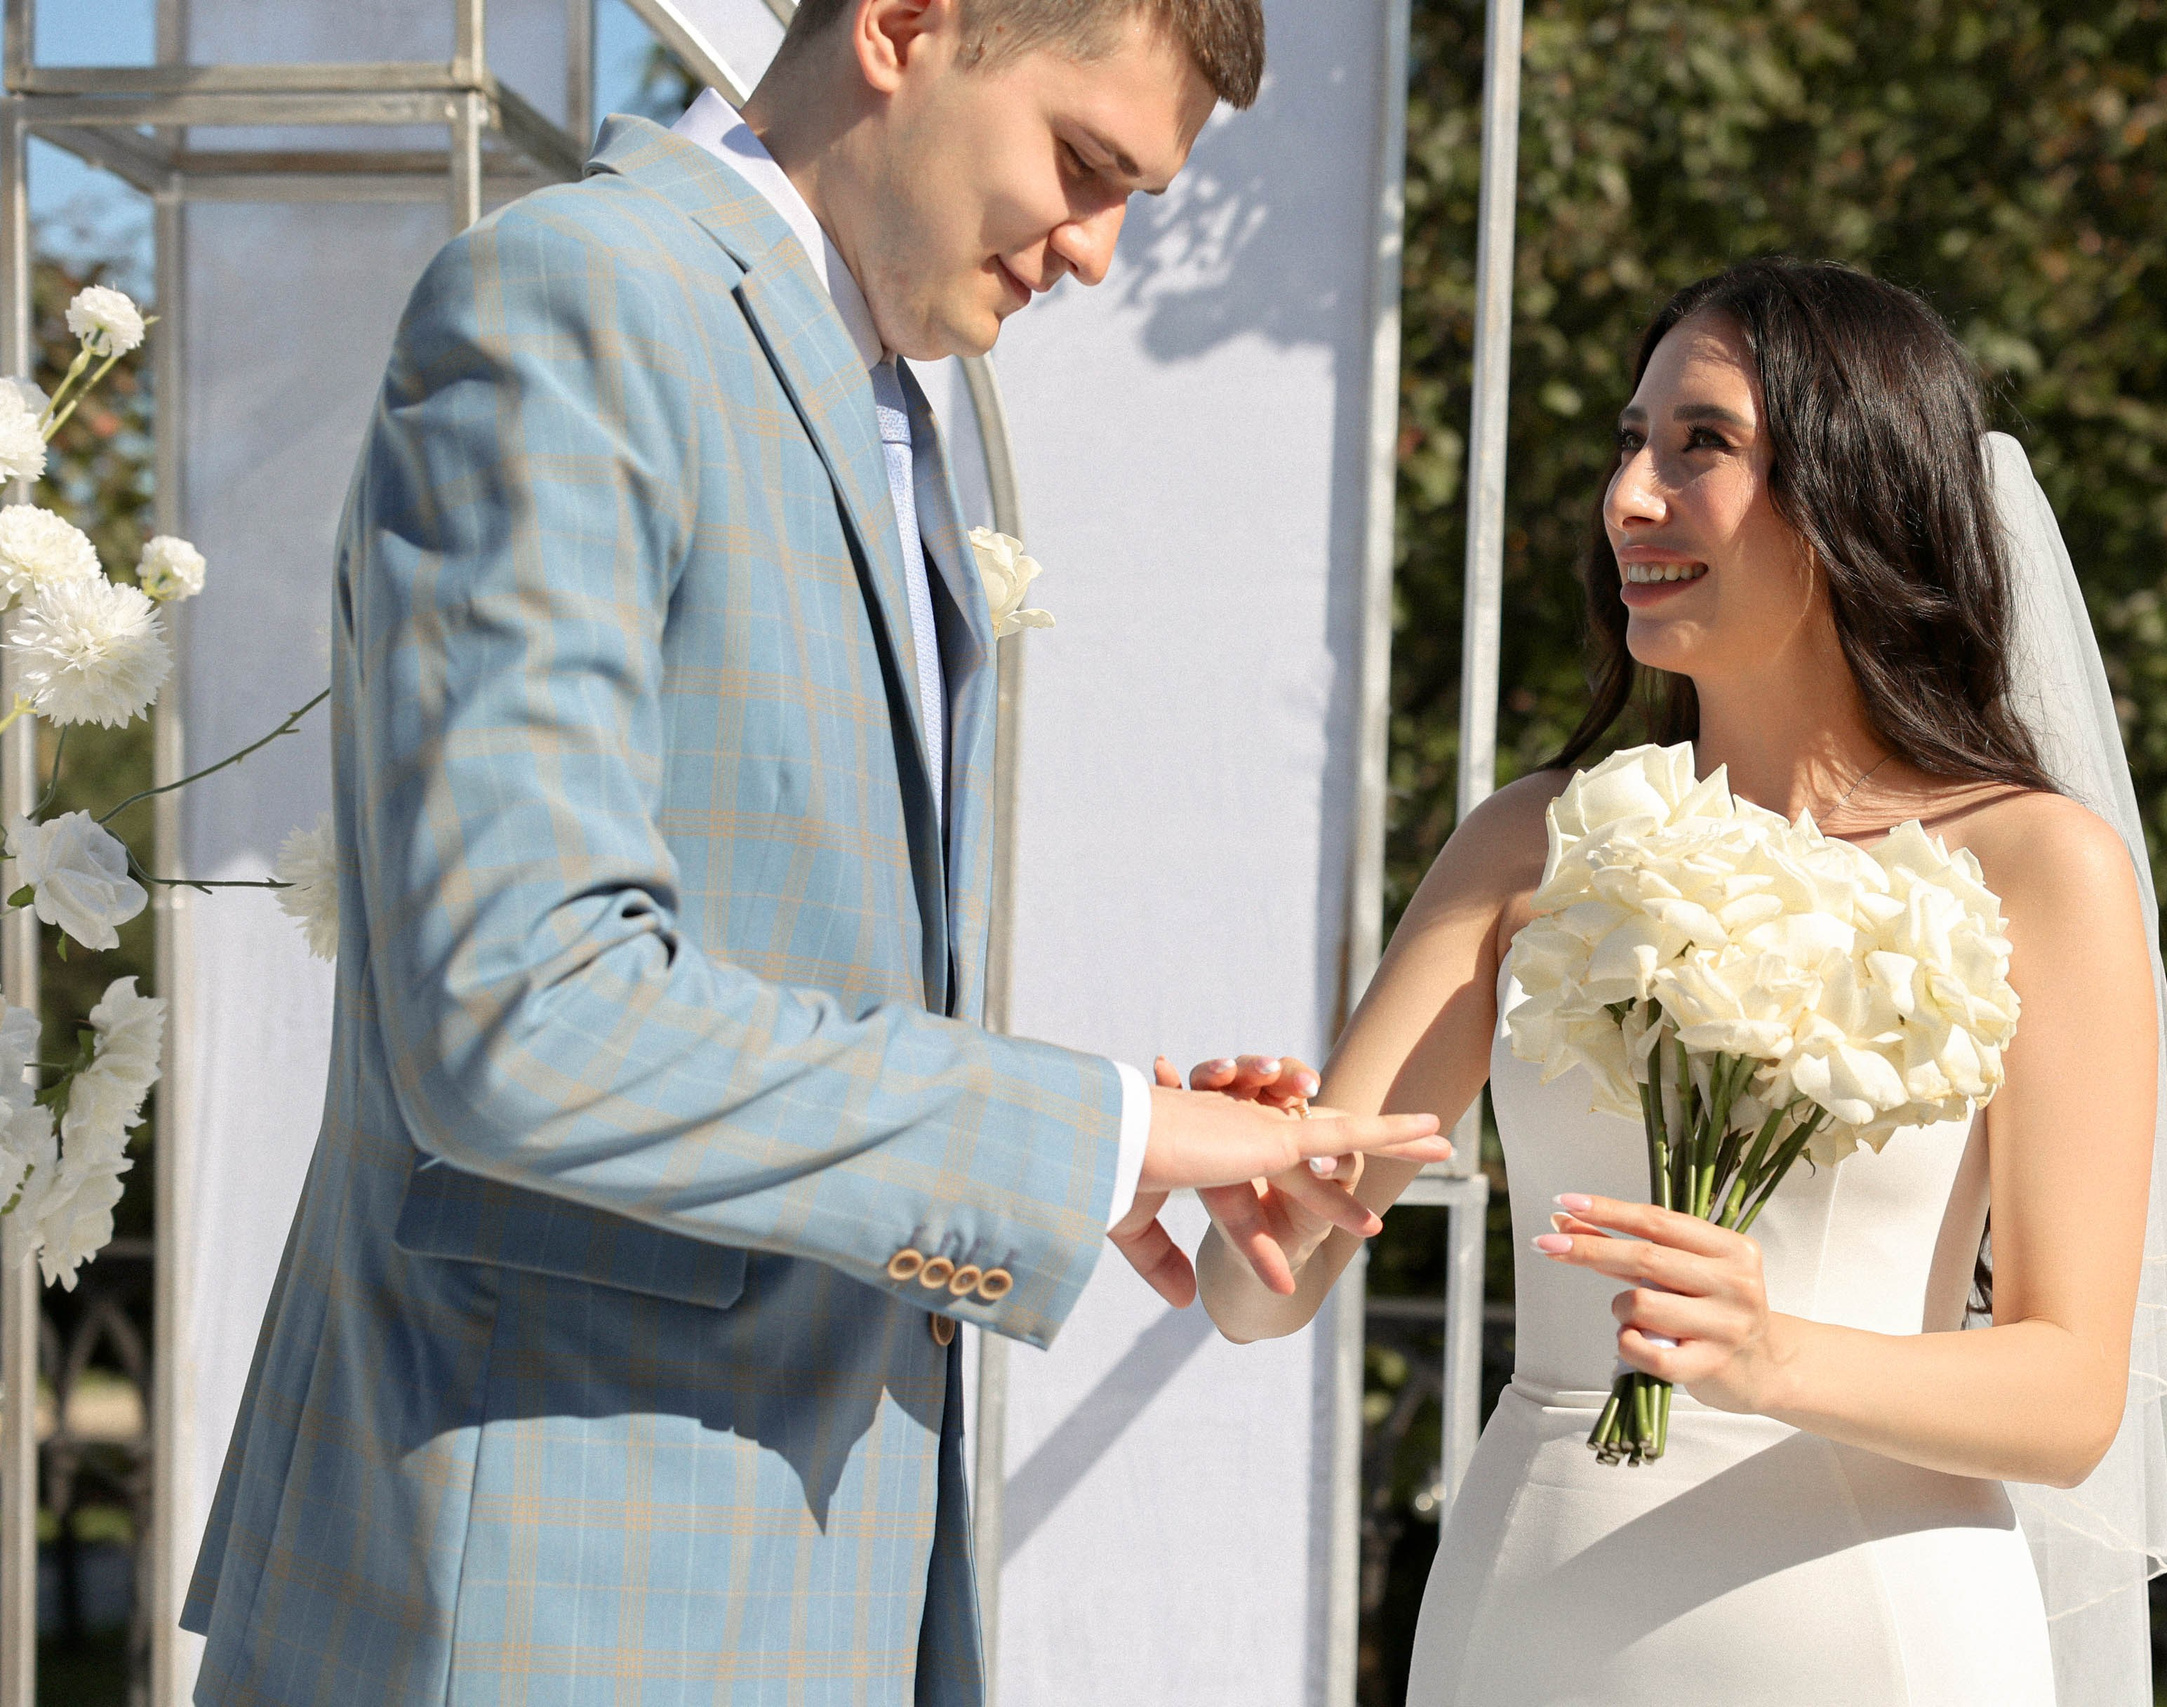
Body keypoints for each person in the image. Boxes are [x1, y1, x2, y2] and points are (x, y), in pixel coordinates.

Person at [179, 2, 1447, 1701]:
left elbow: (777, 968)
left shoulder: (880, 408)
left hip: (802, 1593)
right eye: (1083, 166)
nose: (1098, 252)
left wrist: (1113, 1150)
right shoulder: (581, 303)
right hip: (543, 1598)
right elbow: (521, 1016)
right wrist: (1088, 1135)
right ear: (905, 26)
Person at [1196, 257, 2167, 1706]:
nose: (1629, 497)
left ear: (1852, 489)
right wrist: (1258, 1206)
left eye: (1703, 444)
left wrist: (1771, 1351)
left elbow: (2065, 1401)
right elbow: (1264, 1298)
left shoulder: (2040, 867)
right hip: (1524, 1624)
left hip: (1875, 1627)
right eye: (1630, 442)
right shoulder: (1525, 841)